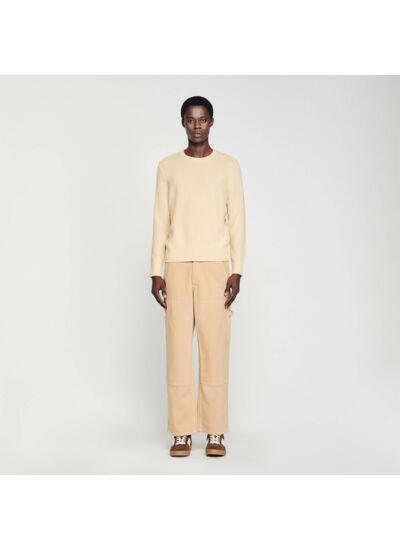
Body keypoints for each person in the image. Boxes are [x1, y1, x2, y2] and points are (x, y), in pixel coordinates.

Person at [150, 95, 246, 457]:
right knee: (177, 350)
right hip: (176, 265)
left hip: (215, 266)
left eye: (202, 119)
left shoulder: (228, 167)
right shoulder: (168, 167)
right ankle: (181, 431)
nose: (196, 126)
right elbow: (160, 219)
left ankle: (215, 430)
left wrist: (237, 269)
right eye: (190, 120)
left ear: (212, 122)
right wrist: (155, 271)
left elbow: (237, 220)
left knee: (214, 348)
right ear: (182, 123)